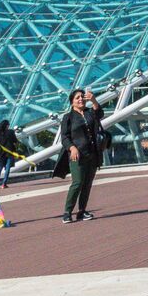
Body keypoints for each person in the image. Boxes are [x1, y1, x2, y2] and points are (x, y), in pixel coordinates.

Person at [59, 89, 99, 223]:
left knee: (87, 184)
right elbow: (64, 137)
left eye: (82, 97)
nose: (81, 99)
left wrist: (93, 100)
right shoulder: (68, 117)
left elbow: (99, 113)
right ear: (72, 102)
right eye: (77, 98)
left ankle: (82, 211)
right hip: (77, 155)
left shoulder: (89, 113)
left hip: (92, 153)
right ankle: (67, 212)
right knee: (77, 183)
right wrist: (72, 148)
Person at [0, 119, 19, 188]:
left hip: (1, 154)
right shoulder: (11, 132)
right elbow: (15, 141)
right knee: (7, 168)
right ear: (7, 125)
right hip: (10, 152)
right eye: (8, 125)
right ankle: (4, 184)